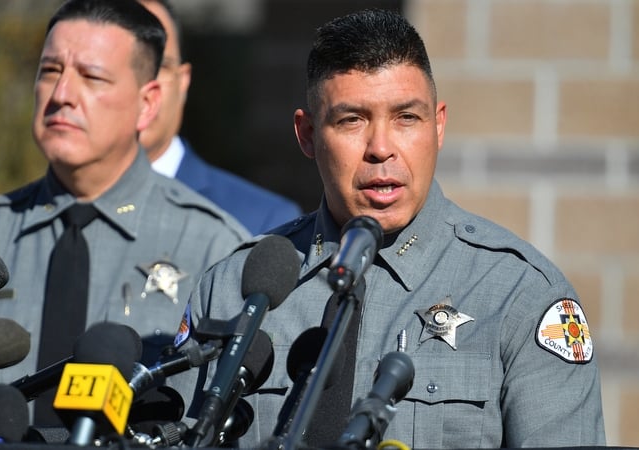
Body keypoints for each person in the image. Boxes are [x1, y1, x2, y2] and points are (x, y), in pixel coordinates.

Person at [174, 8, 606, 449]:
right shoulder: (235, 289)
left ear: (438, 125)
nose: (381, 149)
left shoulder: (520, 296)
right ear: (307, 134)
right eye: (351, 120)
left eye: (406, 118)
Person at [0, 0, 249, 427]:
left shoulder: (214, 250)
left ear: (148, 104)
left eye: (91, 76)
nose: (61, 95)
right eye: (50, 71)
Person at [136, 0, 302, 236]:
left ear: (183, 81)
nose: (140, 87)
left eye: (157, 66)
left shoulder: (263, 220)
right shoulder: (67, 205)